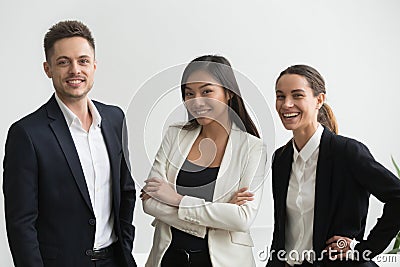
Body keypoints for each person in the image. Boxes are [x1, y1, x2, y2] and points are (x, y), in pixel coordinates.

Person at [3, 20, 137, 267]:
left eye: (83, 61)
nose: (75, 69)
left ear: (94, 66)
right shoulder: (27, 134)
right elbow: (21, 224)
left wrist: (124, 248)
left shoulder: (115, 119)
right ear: (48, 69)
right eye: (63, 62)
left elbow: (126, 191)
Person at [267, 64, 400, 267]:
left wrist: (363, 249)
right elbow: (282, 231)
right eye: (280, 96)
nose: (286, 104)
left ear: (319, 100)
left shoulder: (347, 153)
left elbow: (397, 196)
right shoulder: (281, 158)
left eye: (297, 95)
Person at [141, 55, 267, 267]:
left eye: (207, 91)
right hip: (169, 258)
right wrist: (218, 213)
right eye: (189, 93)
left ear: (228, 93)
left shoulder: (252, 148)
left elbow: (241, 218)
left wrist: (176, 199)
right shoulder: (175, 135)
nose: (196, 101)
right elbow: (150, 202)